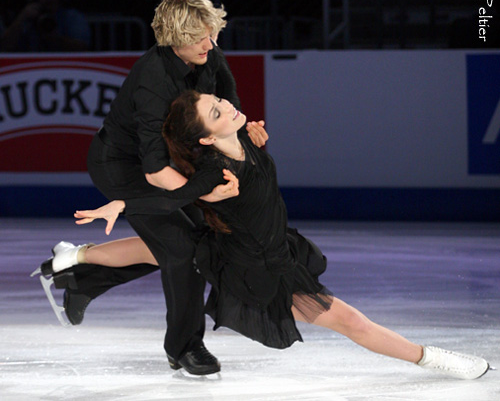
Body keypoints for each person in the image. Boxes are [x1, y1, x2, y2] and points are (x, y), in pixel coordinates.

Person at [44, 91, 489, 380]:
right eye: (216, 111)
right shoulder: (214, 173)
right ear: (203, 139)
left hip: (266, 246)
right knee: (350, 321)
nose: (225, 104)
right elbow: (169, 200)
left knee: (162, 251)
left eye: (218, 99)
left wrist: (256, 143)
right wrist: (121, 203)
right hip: (252, 264)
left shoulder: (247, 140)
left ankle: (75, 256)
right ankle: (434, 358)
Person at [32, 0, 268, 376]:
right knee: (182, 250)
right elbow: (154, 168)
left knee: (196, 242)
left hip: (169, 165)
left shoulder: (209, 54)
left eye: (210, 32)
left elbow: (230, 109)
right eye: (197, 37)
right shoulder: (153, 79)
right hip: (125, 168)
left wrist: (245, 133)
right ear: (174, 37)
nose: (208, 43)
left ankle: (82, 279)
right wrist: (203, 197)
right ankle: (184, 347)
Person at [1, 0, 90, 52]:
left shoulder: (72, 17)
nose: (49, 0)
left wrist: (55, 39)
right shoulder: (27, 18)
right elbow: (4, 47)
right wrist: (21, 18)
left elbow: (83, 47)